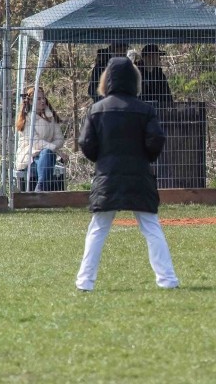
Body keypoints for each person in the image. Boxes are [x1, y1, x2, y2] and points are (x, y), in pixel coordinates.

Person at [75, 57, 179, 291]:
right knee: (151, 227)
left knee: (98, 229)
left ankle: (85, 282)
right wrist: (144, 158)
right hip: (139, 174)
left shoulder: (96, 109)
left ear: (106, 80)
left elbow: (85, 142)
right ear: (134, 80)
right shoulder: (145, 109)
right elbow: (156, 139)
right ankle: (168, 280)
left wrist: (102, 160)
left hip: (107, 176)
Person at [15, 85, 66, 192]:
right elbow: (35, 142)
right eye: (38, 99)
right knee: (48, 154)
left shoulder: (51, 116)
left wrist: (50, 149)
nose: (42, 101)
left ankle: (40, 190)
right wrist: (55, 149)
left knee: (47, 154)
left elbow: (60, 139)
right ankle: (42, 190)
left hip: (47, 156)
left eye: (43, 98)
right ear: (30, 102)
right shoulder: (27, 119)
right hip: (30, 158)